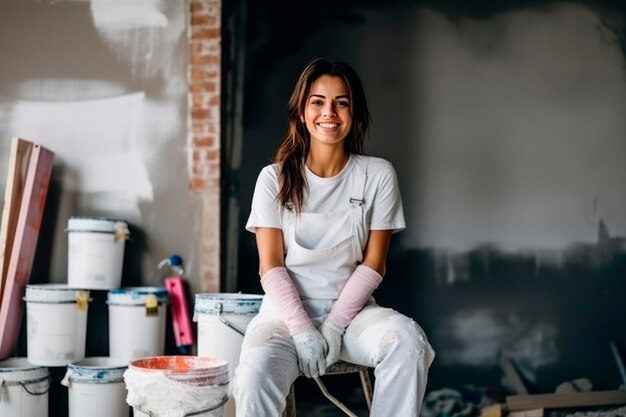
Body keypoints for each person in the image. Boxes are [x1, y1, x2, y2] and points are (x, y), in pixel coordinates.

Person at [232, 57, 435, 417]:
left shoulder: (377, 175)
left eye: (342, 102)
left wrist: (336, 325)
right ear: (301, 111)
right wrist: (302, 330)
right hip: (284, 317)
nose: (330, 112)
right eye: (318, 101)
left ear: (355, 114)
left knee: (409, 342)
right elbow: (270, 266)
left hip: (353, 315)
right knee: (252, 375)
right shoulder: (273, 179)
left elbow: (374, 264)